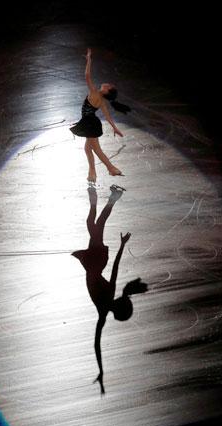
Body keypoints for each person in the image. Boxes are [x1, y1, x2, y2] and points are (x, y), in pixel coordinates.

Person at [71, 186, 147, 394]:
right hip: (94, 261)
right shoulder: (104, 310)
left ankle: (108, 198)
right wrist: (101, 372)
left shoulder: (111, 296)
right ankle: (111, 197)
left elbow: (115, 267)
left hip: (97, 262)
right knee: (94, 224)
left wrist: (122, 246)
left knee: (94, 224)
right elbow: (97, 342)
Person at [70, 48, 131, 183]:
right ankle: (92, 172)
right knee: (87, 148)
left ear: (106, 91)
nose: (107, 84)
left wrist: (89, 60)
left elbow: (87, 76)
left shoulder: (94, 93)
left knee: (96, 149)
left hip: (90, 123)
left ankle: (111, 168)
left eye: (108, 86)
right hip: (91, 123)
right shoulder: (102, 101)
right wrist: (114, 128)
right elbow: (108, 116)